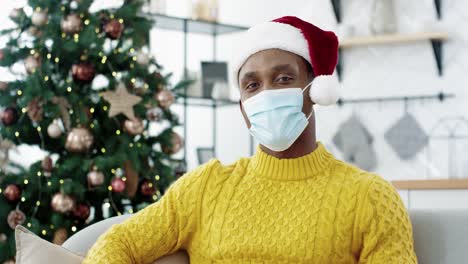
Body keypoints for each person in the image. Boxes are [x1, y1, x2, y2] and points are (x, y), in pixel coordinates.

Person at [83, 16, 417, 263]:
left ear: (314, 89)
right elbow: (119, 243)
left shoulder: (370, 197)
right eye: (252, 85)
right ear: (242, 105)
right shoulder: (205, 187)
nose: (267, 93)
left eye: (283, 78)